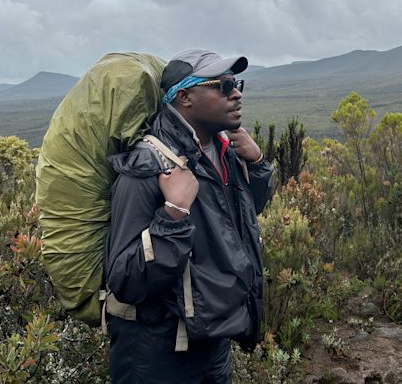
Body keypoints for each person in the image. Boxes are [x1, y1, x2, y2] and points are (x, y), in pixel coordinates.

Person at [104, 49, 274, 383]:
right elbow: (124, 279)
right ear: (184, 97)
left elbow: (237, 217)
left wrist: (256, 165)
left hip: (211, 341)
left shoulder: (224, 150)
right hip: (158, 355)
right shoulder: (147, 166)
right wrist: (173, 214)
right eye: (223, 86)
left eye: (236, 83)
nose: (237, 92)